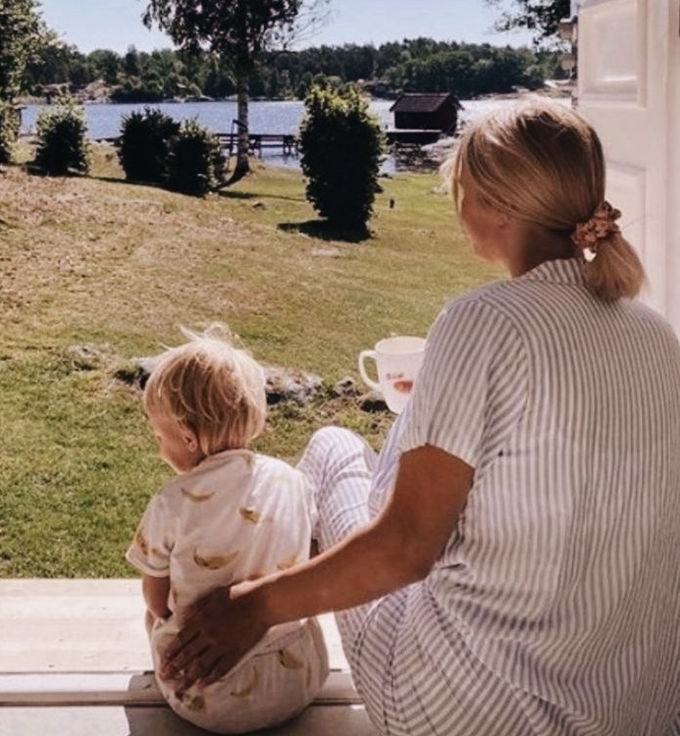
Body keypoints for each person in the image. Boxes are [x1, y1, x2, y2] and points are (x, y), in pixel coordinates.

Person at [157, 99, 680, 735]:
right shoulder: (657, 333)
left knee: (332, 446)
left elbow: (405, 551)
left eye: (460, 186)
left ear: (495, 204)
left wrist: (253, 606)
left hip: (468, 712)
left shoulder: (483, 321)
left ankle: (268, 638)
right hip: (637, 708)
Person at [125, 325, 329, 734]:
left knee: (153, 620)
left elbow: (156, 598)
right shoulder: (291, 480)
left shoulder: (173, 501)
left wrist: (164, 619)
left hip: (208, 698)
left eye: (159, 436)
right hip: (299, 678)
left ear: (189, 438)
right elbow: (312, 552)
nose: (158, 447)